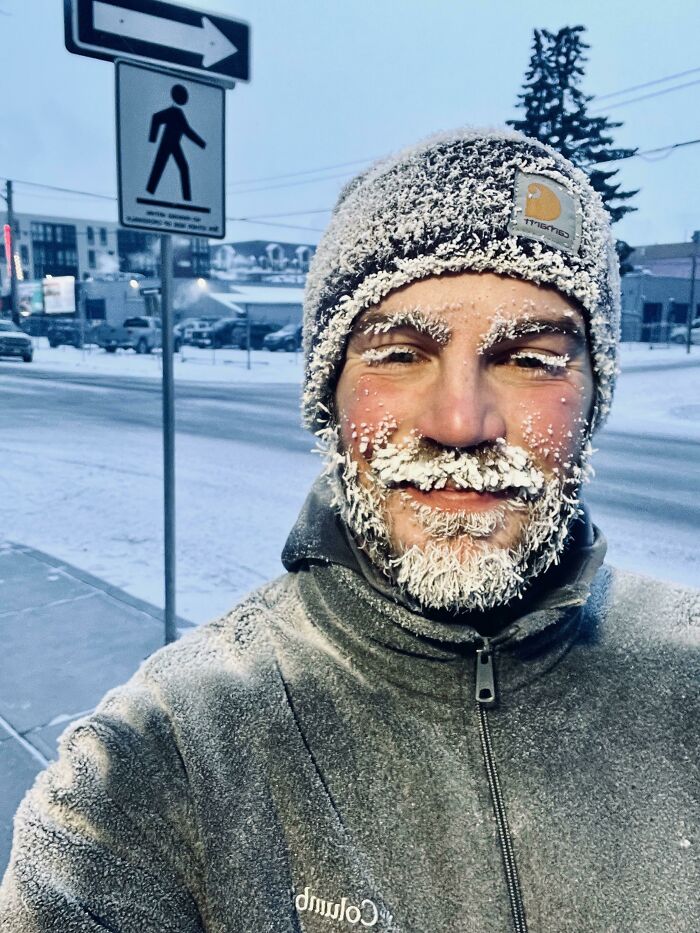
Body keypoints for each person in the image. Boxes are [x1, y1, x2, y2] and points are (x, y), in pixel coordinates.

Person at [1, 129, 698, 932]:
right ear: (328, 399)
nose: (462, 421)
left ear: (592, 402)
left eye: (532, 359)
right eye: (400, 354)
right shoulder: (167, 759)